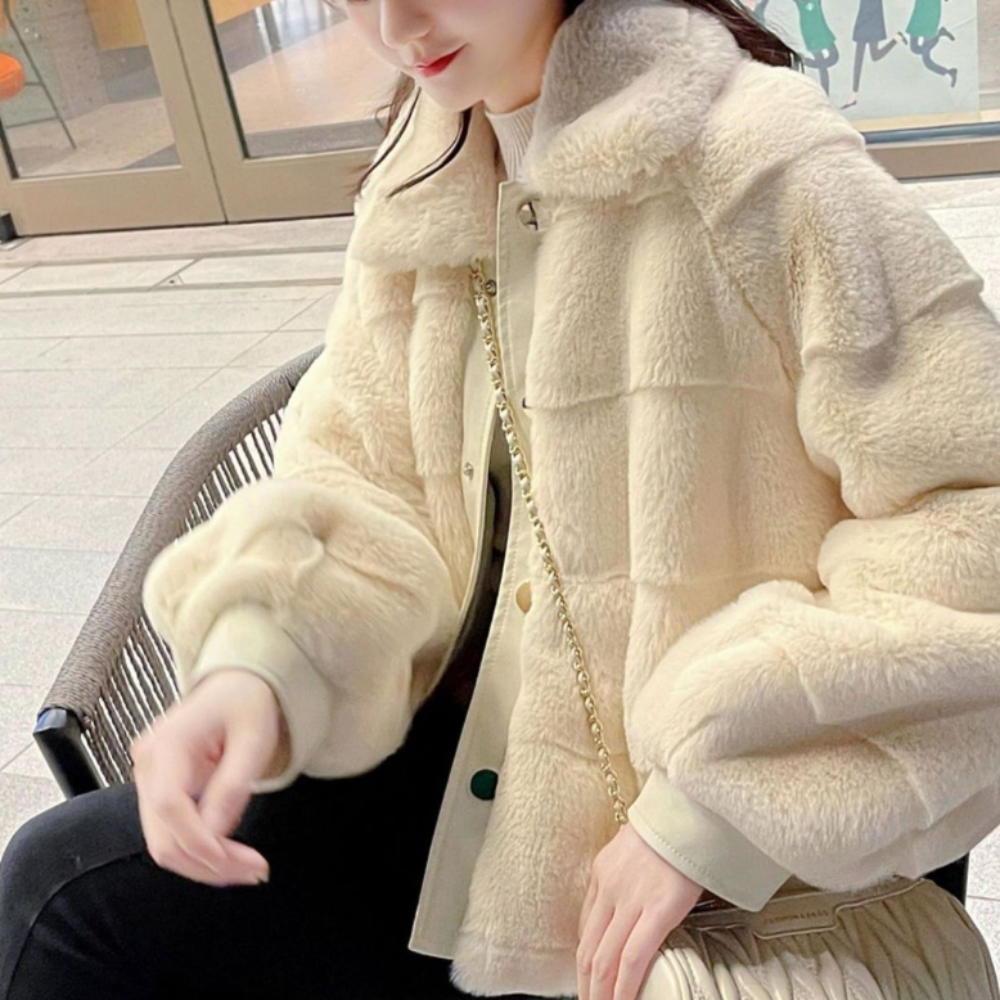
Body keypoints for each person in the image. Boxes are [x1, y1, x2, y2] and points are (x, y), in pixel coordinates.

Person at [4, 0, 1000, 998]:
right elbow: (356, 472)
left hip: (686, 863)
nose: (396, 24)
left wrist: (720, 810)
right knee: (61, 894)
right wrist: (259, 667)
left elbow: (972, 521)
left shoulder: (760, 166)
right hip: (455, 799)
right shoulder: (427, 166)